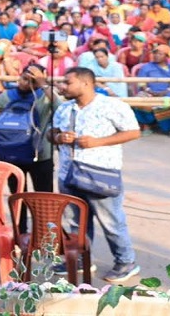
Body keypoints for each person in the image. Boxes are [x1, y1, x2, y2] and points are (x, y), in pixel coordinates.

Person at [50, 67, 141, 284]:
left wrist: (98, 142)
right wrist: (59, 138)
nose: (63, 86)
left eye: (68, 82)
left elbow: (133, 132)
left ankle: (126, 262)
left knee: (111, 222)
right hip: (68, 175)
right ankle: (81, 259)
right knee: (75, 223)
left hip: (100, 175)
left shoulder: (112, 105)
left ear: (86, 83)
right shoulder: (64, 108)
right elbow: (51, 134)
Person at [0, 63, 55, 231]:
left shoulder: (45, 97)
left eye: (32, 80)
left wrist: (43, 84)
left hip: (40, 156)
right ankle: (20, 233)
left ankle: (44, 234)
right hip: (12, 155)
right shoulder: (8, 96)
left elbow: (60, 106)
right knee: (17, 197)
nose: (26, 83)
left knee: (44, 199)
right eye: (24, 78)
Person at [133, 46, 170, 136]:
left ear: (166, 56)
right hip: (148, 91)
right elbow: (141, 83)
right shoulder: (146, 67)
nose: (156, 55)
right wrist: (149, 91)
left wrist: (165, 92)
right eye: (155, 53)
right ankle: (147, 125)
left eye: (160, 54)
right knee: (138, 100)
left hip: (167, 92)